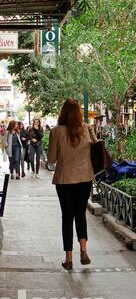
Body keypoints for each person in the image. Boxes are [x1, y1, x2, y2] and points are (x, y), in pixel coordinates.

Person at [47, 99, 96, 271]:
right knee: (80, 214)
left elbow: (51, 159)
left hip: (64, 179)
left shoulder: (56, 131)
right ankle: (83, 250)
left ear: (63, 112)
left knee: (67, 217)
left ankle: (68, 258)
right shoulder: (87, 129)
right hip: (85, 178)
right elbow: (96, 150)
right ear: (78, 113)